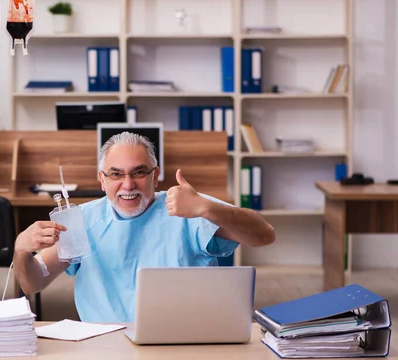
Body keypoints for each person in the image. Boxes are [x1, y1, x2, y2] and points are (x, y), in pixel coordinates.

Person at [14, 132, 275, 322]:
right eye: (116, 174)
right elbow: (33, 283)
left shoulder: (188, 206)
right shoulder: (82, 220)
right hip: (105, 349)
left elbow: (264, 235)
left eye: (138, 173)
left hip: (183, 344)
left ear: (155, 175)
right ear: (102, 180)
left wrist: (207, 208)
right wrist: (22, 249)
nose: (128, 185)